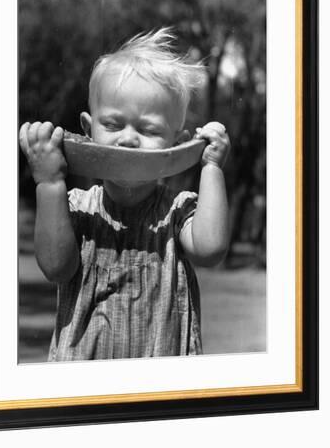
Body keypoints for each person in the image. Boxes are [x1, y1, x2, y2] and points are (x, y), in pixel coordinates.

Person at [19, 28, 230, 361]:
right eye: (114, 125)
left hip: (162, 387)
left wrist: (212, 167)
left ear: (177, 144)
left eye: (148, 130)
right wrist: (49, 183)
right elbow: (56, 268)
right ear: (89, 132)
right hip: (83, 387)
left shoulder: (177, 212)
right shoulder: (75, 207)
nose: (129, 139)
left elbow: (210, 248)